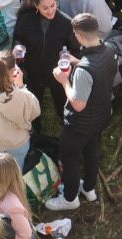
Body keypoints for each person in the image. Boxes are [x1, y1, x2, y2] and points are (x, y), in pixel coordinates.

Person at [44, 12, 116, 213]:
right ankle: (89, 188)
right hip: (101, 116)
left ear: (79, 36)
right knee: (92, 149)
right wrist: (77, 61)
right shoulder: (109, 50)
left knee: (70, 157)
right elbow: (98, 71)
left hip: (81, 123)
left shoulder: (84, 71)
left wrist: (64, 80)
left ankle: (69, 199)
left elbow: (78, 104)